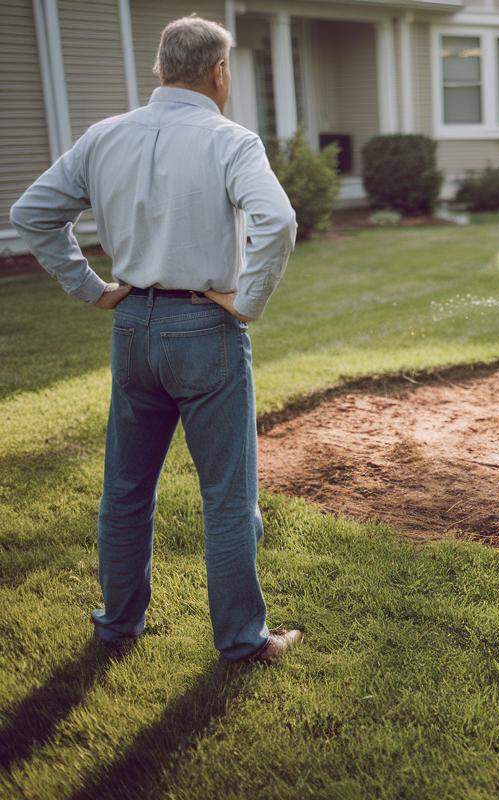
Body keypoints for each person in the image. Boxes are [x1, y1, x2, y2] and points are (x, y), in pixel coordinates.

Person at [10, 14, 303, 663]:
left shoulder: (104, 136)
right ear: (219, 71)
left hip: (133, 329)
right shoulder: (232, 141)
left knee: (126, 489)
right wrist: (247, 302)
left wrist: (91, 288)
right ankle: (242, 640)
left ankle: (119, 624)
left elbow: (32, 213)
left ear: (161, 69)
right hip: (204, 331)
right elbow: (278, 220)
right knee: (227, 498)